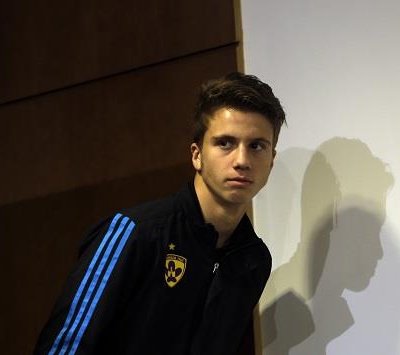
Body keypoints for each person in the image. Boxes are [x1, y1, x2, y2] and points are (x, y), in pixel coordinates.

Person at [33, 72, 286, 355]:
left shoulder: (254, 260)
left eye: (256, 146)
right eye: (225, 143)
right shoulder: (135, 231)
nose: (242, 160)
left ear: (271, 161)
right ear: (197, 155)